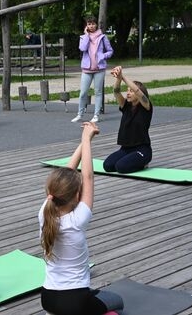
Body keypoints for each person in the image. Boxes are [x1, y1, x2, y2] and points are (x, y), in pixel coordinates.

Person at [39, 121, 124, 315]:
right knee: (117, 302)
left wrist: (85, 140)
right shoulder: (77, 221)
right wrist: (86, 139)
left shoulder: (45, 210)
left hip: (48, 299)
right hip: (75, 302)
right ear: (77, 195)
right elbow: (88, 177)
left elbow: (65, 176)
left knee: (95, 298)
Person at [103, 66, 152, 174]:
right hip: (125, 149)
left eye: (131, 91)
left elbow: (137, 90)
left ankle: (144, 163)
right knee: (107, 166)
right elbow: (116, 91)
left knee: (121, 167)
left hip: (142, 150)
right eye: (127, 91)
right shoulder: (126, 106)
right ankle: (131, 160)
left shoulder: (146, 106)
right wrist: (118, 79)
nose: (128, 93)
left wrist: (123, 77)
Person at [71, 15, 114, 123]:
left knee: (98, 92)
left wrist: (102, 56)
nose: (91, 26)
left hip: (99, 69)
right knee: (83, 93)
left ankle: (96, 115)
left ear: (96, 25)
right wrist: (86, 35)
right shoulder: (83, 37)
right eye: (89, 24)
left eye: (93, 23)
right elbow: (82, 48)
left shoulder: (103, 37)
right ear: (86, 25)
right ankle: (80, 114)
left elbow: (110, 51)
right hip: (87, 70)